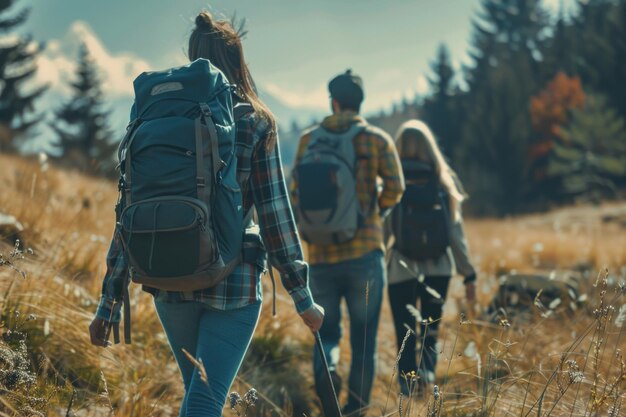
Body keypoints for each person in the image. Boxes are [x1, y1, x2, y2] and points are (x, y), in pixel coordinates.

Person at [88, 12, 324, 417]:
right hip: (233, 283)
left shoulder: (153, 118)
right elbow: (274, 215)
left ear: (194, 58)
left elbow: (127, 211)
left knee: (199, 395)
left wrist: (108, 302)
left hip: (168, 278)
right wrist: (303, 297)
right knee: (204, 399)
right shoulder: (253, 120)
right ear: (237, 62)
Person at [291, 70, 405, 416]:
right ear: (359, 102)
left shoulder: (308, 141)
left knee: (325, 335)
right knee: (365, 341)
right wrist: (373, 215)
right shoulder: (376, 138)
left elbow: (294, 193)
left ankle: (328, 403)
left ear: (333, 101)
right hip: (365, 254)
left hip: (321, 255)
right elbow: (396, 187)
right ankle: (355, 410)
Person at [385, 120, 476, 395]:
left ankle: (407, 388)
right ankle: (426, 376)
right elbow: (455, 235)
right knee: (429, 330)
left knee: (405, 332)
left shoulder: (393, 184)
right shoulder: (443, 183)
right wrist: (468, 273)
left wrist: (374, 267)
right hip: (439, 268)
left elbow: (382, 230)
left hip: (400, 269)